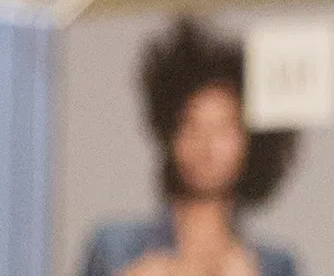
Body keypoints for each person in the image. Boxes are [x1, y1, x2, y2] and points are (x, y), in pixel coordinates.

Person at [73, 18, 300, 276]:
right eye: (192, 125)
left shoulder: (275, 266)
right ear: (170, 133)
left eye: (224, 128)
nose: (207, 146)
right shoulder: (115, 248)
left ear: (252, 140)